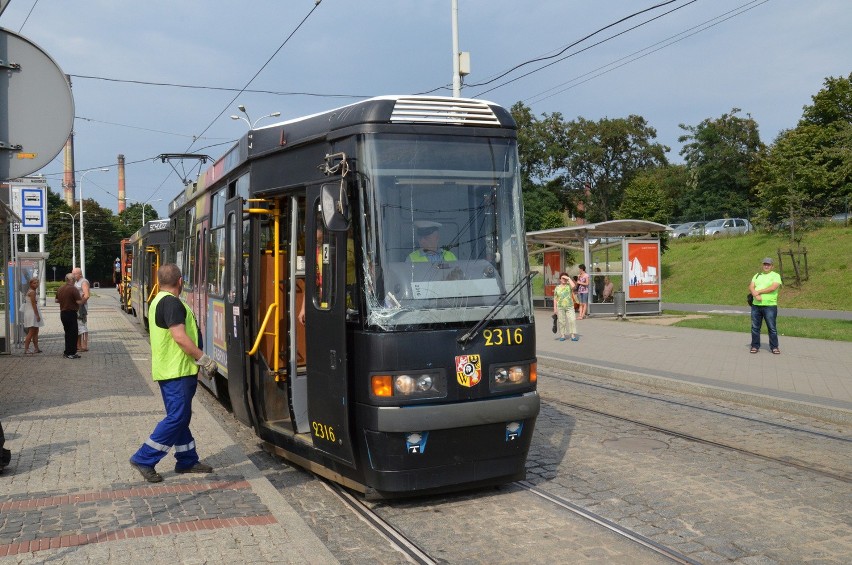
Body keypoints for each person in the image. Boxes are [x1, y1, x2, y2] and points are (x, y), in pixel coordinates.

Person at [130, 263, 217, 483]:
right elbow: (179, 337)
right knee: (177, 417)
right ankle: (144, 458)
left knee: (181, 416)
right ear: (180, 281)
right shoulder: (172, 304)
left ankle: (187, 459)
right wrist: (203, 359)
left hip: (170, 370)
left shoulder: (157, 300)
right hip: (176, 372)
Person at [749, 257, 782, 354]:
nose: (766, 266)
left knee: (771, 328)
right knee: (755, 327)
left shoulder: (775, 275)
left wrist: (757, 292)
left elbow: (773, 288)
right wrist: (755, 294)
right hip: (756, 305)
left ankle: (774, 347)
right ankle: (755, 346)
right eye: (765, 264)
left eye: (768, 264)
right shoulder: (757, 275)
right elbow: (751, 286)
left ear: (772, 266)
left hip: (770, 306)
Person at [55, 274, 82, 359]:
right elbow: (79, 302)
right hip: (71, 313)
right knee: (73, 334)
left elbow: (56, 300)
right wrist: (83, 297)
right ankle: (71, 353)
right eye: (74, 278)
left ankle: (67, 352)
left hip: (63, 313)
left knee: (67, 333)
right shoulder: (73, 289)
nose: (74, 280)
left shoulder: (60, 288)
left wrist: (65, 301)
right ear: (72, 279)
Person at [552, 272, 578, 341]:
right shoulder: (557, 288)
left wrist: (568, 278)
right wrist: (555, 308)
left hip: (569, 306)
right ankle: (562, 335)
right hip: (560, 307)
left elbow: (574, 287)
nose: (564, 279)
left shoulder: (569, 286)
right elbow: (555, 298)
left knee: (572, 320)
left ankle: (573, 335)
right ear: (560, 279)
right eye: (562, 278)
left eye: (565, 278)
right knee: (562, 321)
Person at [21, 277, 44, 354]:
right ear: (30, 283)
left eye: (37, 282)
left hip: (31, 311)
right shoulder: (32, 292)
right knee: (31, 332)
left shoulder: (32, 291)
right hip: (32, 313)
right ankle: (26, 349)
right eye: (34, 283)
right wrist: (37, 315)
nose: (36, 284)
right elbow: (34, 304)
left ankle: (36, 348)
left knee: (36, 331)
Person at [72, 268, 91, 352]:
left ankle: (84, 346)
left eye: (75, 274)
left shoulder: (84, 282)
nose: (73, 276)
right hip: (77, 307)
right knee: (78, 326)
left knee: (82, 326)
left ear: (80, 274)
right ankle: (78, 345)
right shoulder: (76, 282)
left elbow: (86, 295)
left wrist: (80, 303)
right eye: (72, 274)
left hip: (81, 308)